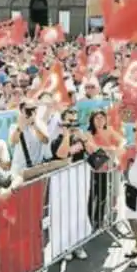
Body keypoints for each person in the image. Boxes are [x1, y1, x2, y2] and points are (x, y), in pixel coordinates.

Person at [51, 106, 97, 261]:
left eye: (75, 122)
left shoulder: (82, 138)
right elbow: (61, 154)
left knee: (79, 211)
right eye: (69, 122)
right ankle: (63, 247)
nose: (72, 125)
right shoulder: (56, 140)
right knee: (63, 213)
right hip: (62, 182)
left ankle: (78, 244)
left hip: (80, 181)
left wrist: (83, 138)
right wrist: (66, 135)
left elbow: (94, 153)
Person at [8, 100, 49, 176]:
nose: (31, 111)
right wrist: (20, 127)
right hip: (19, 171)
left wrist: (35, 125)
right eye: (28, 109)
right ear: (21, 111)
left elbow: (45, 140)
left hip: (36, 169)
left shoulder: (40, 124)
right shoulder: (14, 126)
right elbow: (13, 142)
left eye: (33, 109)